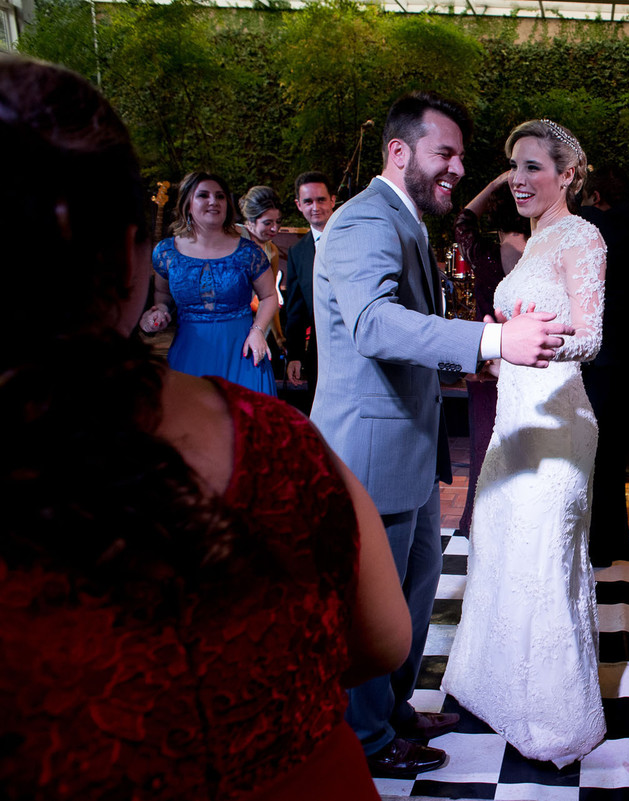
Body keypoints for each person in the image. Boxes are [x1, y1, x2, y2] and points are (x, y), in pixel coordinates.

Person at [0, 54, 409, 800]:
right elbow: (381, 638)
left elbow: (272, 299)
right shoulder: (279, 444)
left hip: (233, 351)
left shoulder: (252, 263)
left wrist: (258, 330)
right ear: (129, 252)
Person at [311, 94, 577, 778]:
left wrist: (475, 355)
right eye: (446, 154)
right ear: (399, 152)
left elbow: (408, 334)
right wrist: (490, 341)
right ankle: (367, 739)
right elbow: (373, 323)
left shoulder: (404, 220)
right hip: (371, 452)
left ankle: (394, 711)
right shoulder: (364, 221)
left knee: (415, 588)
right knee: (375, 606)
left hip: (409, 450)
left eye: (460, 155)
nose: (458, 168)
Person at [442, 119, 608, 767]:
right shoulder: (535, 240)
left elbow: (590, 336)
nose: (518, 177)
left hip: (557, 423)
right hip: (513, 418)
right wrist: (498, 352)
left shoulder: (581, 236)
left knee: (543, 558)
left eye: (533, 166)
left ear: (567, 175)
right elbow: (518, 334)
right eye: (514, 165)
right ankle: (496, 692)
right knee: (501, 547)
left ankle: (552, 718)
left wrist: (530, 346)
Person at [140, 171, 278, 396]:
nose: (213, 201)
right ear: (187, 204)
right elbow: (162, 297)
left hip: (242, 352)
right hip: (190, 353)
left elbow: (269, 296)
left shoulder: (248, 252)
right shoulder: (166, 252)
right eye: (203, 195)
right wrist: (159, 313)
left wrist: (258, 330)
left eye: (220, 196)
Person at [577, 165, 629, 567]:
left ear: (597, 196)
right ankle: (615, 538)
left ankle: (600, 544)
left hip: (606, 359)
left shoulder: (600, 223)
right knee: (613, 451)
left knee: (598, 451)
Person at [453, 171, 530, 537]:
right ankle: (520, 530)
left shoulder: (484, 254)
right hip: (530, 365)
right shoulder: (543, 253)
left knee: (485, 449)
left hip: (490, 362)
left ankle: (482, 525)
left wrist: (495, 183)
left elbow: (464, 220)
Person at [284, 171, 336, 411]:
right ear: (299, 205)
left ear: (332, 200)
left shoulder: (357, 237)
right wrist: (294, 355)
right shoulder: (298, 252)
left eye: (321, 199)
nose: (315, 207)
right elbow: (296, 309)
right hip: (319, 355)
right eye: (308, 201)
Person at [238, 184, 287, 353]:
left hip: (254, 326)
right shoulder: (233, 236)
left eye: (278, 222)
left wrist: (279, 336)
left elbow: (269, 296)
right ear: (251, 220)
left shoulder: (271, 251)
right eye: (268, 223)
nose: (275, 228)